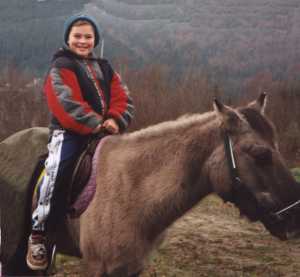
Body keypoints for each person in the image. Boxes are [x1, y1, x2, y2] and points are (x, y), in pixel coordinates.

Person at [26, 14, 134, 270]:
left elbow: (123, 98)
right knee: (56, 171)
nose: (83, 41)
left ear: (95, 40)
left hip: (106, 132)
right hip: (69, 133)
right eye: (77, 36)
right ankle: (38, 232)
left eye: (88, 36)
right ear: (68, 38)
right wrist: (95, 122)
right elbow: (65, 102)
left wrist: (115, 120)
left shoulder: (106, 68)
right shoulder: (62, 65)